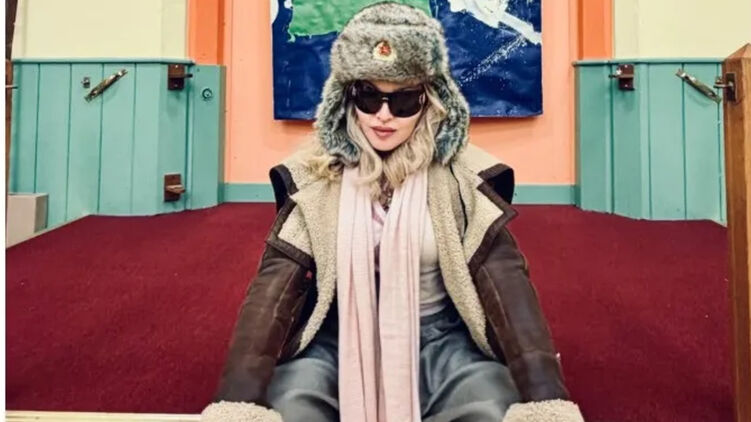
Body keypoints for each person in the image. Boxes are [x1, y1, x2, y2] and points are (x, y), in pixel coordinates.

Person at [201, 2, 584, 421]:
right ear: (346, 99)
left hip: (441, 338)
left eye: (403, 101)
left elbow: (507, 284)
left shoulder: (463, 179)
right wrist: (237, 400)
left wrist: (545, 397)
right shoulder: (317, 178)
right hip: (340, 337)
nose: (383, 116)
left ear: (430, 102)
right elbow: (273, 288)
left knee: (491, 409)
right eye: (368, 97)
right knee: (292, 408)